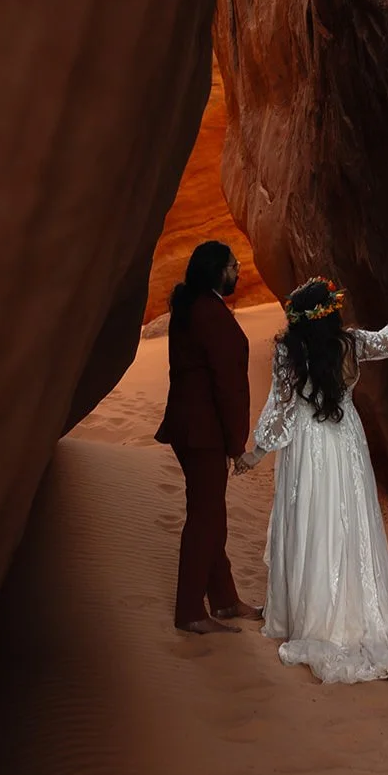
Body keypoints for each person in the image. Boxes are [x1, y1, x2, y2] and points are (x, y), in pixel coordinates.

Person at [235, 272, 388, 688]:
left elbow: (280, 408)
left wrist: (255, 453)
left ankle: (311, 616)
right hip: (345, 443)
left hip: (309, 449)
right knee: (347, 526)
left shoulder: (289, 355)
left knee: (312, 523)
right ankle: (349, 611)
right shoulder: (351, 344)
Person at [156, 241, 262, 634]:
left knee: (207, 510)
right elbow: (226, 384)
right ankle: (189, 611)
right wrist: (236, 444)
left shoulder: (192, 309)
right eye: (234, 265)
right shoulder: (208, 314)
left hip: (190, 427)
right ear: (218, 270)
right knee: (207, 517)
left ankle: (224, 600)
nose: (239, 271)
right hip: (204, 431)